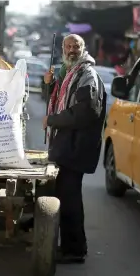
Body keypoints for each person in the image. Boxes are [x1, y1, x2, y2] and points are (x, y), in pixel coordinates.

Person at [42, 34, 106, 264]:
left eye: (76, 46)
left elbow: (84, 112)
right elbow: (55, 99)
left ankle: (75, 250)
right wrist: (47, 84)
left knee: (69, 200)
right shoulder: (67, 74)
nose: (71, 49)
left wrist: (52, 120)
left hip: (75, 148)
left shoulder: (86, 75)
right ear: (62, 49)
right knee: (64, 197)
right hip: (65, 146)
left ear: (83, 49)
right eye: (67, 46)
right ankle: (69, 246)